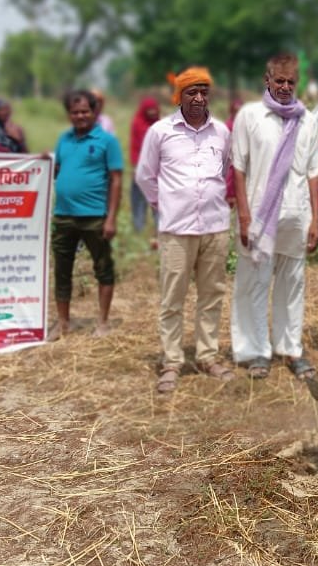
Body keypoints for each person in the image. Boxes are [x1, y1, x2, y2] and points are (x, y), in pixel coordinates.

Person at [135, 67, 232, 394]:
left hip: (215, 227)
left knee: (211, 295)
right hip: (176, 229)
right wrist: (163, 205)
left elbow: (226, 169)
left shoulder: (220, 132)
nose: (199, 98)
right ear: (179, 96)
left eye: (204, 91)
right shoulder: (160, 132)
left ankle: (207, 356)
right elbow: (145, 176)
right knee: (172, 298)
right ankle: (172, 361)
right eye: (192, 92)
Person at [230, 55, 318, 380]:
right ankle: (257, 352)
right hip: (258, 217)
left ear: (297, 84)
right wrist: (242, 215)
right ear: (267, 79)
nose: (285, 87)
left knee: (293, 284)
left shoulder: (307, 120)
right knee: (255, 284)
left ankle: (290, 348)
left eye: (290, 82)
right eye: (279, 80)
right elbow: (238, 167)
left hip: (297, 216)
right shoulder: (250, 116)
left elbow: (313, 172)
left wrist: (316, 218)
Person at [52, 89, 124, 338]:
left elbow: (116, 180)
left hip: (95, 216)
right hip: (63, 215)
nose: (80, 116)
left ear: (94, 112)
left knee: (103, 268)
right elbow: (58, 169)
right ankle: (63, 322)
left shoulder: (107, 141)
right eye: (75, 112)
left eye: (85, 111)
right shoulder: (64, 140)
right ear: (69, 115)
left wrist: (112, 217)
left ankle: (102, 322)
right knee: (62, 269)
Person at [128, 96, 161, 234]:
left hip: (158, 172)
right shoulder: (137, 124)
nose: (152, 112)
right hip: (141, 170)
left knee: (159, 202)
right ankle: (139, 229)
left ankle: (161, 229)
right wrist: (137, 167)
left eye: (154, 109)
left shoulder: (160, 125)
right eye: (149, 110)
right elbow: (135, 147)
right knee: (139, 201)